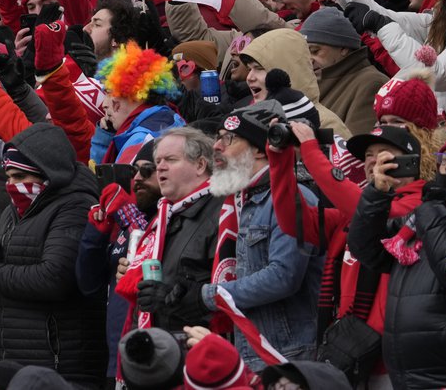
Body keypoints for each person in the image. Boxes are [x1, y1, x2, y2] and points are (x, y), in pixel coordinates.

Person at [346, 127, 446, 390]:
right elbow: (365, 249)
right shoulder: (415, 223)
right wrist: (376, 195)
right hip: (402, 369)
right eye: (443, 159)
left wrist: (431, 210)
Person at [0, 124, 107, 384]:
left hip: (62, 364)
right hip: (18, 358)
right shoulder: (14, 211)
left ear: (49, 174)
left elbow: (54, 278)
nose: (11, 186)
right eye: (9, 177)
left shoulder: (75, 206)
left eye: (20, 177)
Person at [204, 106, 323, 365]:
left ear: (260, 149)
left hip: (289, 356)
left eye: (229, 138)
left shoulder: (296, 197)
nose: (216, 146)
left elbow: (284, 276)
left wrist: (213, 295)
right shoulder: (241, 201)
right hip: (252, 351)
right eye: (217, 137)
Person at [130, 128, 218, 334]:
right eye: (158, 161)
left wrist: (171, 297)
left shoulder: (221, 213)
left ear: (200, 165)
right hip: (159, 346)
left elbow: (228, 293)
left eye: (170, 160)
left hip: (197, 348)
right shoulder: (165, 213)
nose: (160, 168)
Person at [299, 8, 386, 135]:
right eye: (304, 52)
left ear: (344, 48)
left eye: (315, 51)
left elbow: (357, 147)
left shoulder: (372, 84)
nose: (309, 59)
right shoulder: (307, 83)